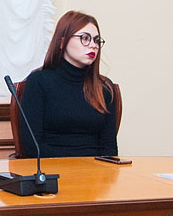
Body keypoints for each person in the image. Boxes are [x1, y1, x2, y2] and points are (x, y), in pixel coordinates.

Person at [18, 10, 118, 157]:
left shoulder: (104, 88)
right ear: (62, 42)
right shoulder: (39, 82)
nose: (93, 45)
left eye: (96, 40)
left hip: (95, 168)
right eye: (85, 38)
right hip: (51, 166)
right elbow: (32, 146)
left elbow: (109, 147)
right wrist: (73, 165)